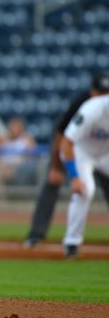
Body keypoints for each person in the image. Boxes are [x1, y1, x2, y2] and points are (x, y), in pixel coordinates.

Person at [25, 74, 109, 249]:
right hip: (79, 151)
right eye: (101, 92)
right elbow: (63, 138)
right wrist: (58, 168)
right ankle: (43, 236)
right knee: (77, 188)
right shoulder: (86, 106)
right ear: (92, 92)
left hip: (105, 152)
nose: (104, 95)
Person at [60, 77, 109, 258]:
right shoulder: (92, 109)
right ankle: (72, 243)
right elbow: (67, 142)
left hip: (105, 154)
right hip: (82, 152)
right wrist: (74, 177)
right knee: (85, 190)